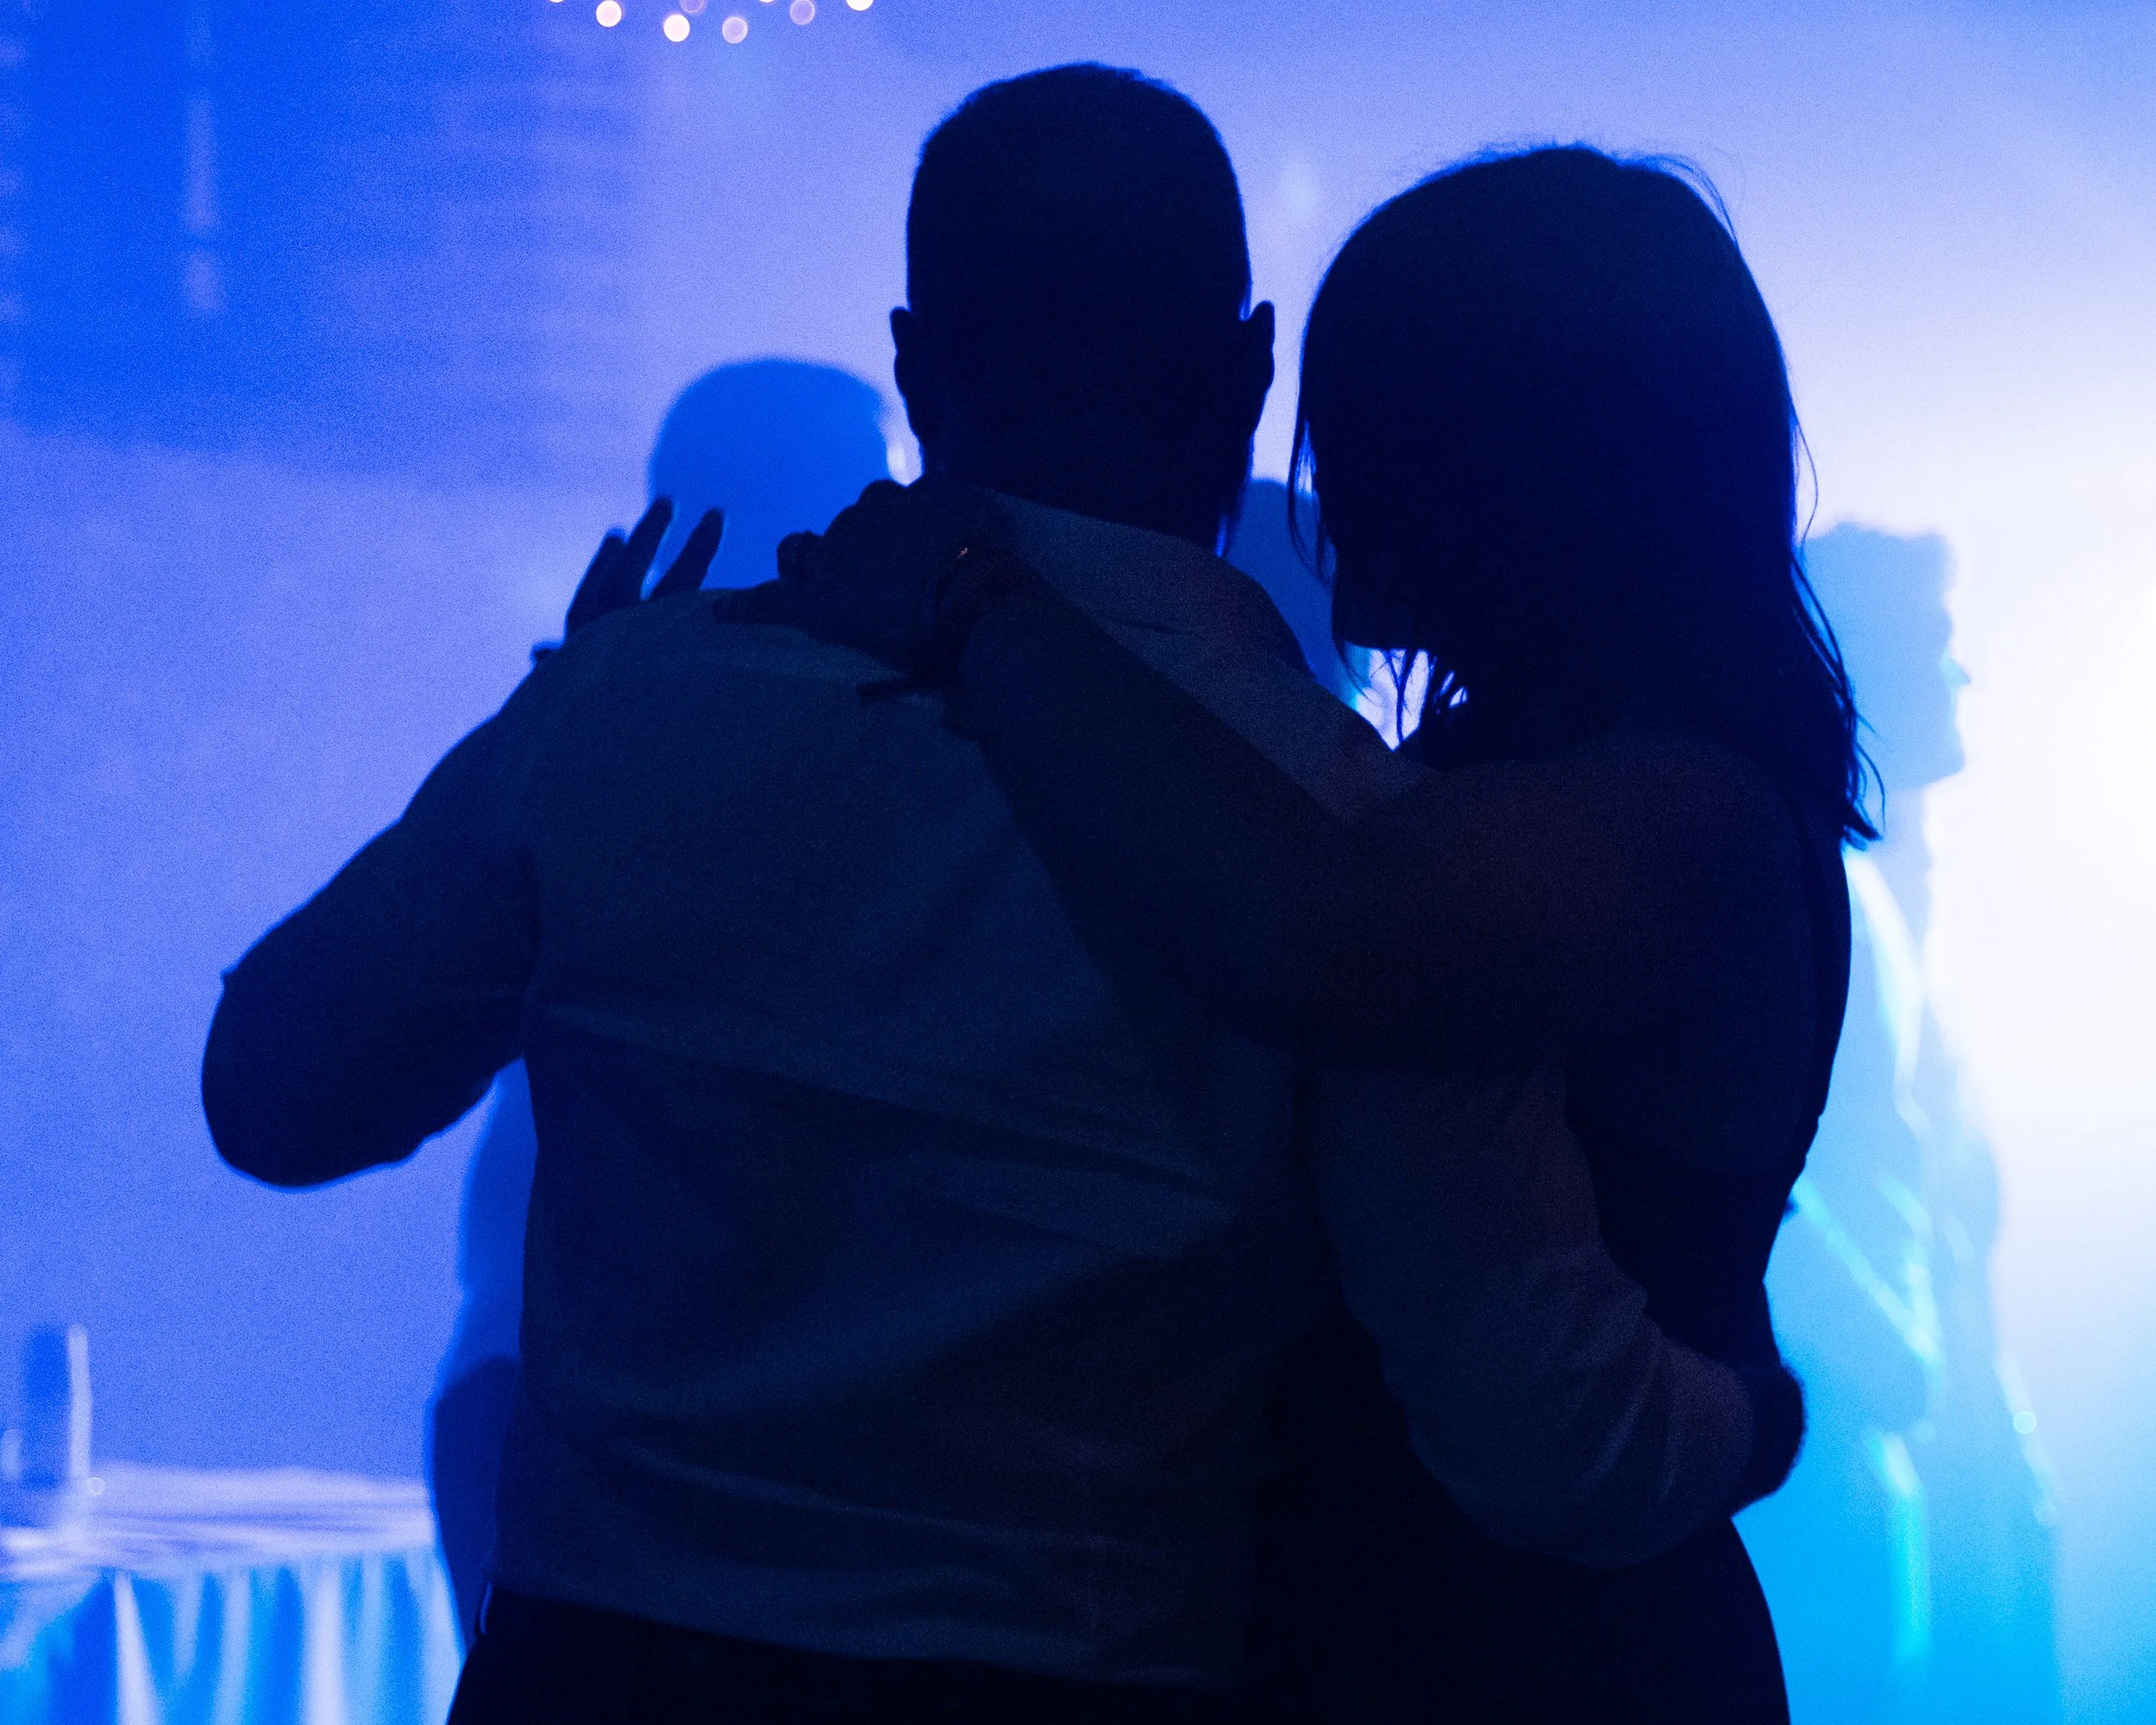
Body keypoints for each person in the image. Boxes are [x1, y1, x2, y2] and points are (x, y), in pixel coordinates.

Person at [204, 76, 1777, 1722]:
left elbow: (272, 1098)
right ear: (1244, 371)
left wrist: (551, 748)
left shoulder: (616, 709)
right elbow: (1546, 1444)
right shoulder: (1355, 843)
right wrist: (1759, 1406)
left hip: (589, 1677)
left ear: (913, 362)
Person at [733, 144, 1860, 1721]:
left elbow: (1326, 942)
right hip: (1455, 1616)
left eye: (1382, 429)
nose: (1331, 486)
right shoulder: (1572, 783)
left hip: (1535, 1652)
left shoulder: (1682, 810)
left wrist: (977, 600)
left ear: (1531, 461)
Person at [426, 360, 896, 1647]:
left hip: (552, 1409)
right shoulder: (881, 763)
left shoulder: (579, 732)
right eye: (875, 484)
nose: (898, 507)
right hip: (577, 1417)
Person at [1737, 525, 2062, 1724]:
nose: (1961, 673)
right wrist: (1889, 1360)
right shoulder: (1818, 887)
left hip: (1919, 1471)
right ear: (1849, 655)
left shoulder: (1906, 912)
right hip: (1833, 1454)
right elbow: (1766, 1170)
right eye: (1932, 640)